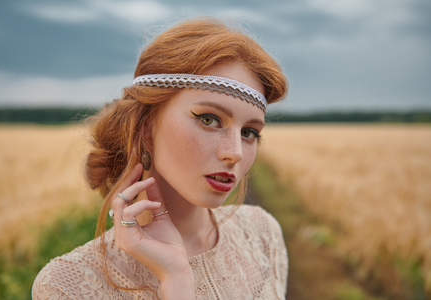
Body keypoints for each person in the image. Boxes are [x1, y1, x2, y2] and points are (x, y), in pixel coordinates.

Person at [32, 17, 289, 300]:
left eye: (249, 132)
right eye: (209, 119)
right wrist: (174, 276)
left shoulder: (263, 235)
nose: (235, 152)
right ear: (145, 126)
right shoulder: (67, 286)